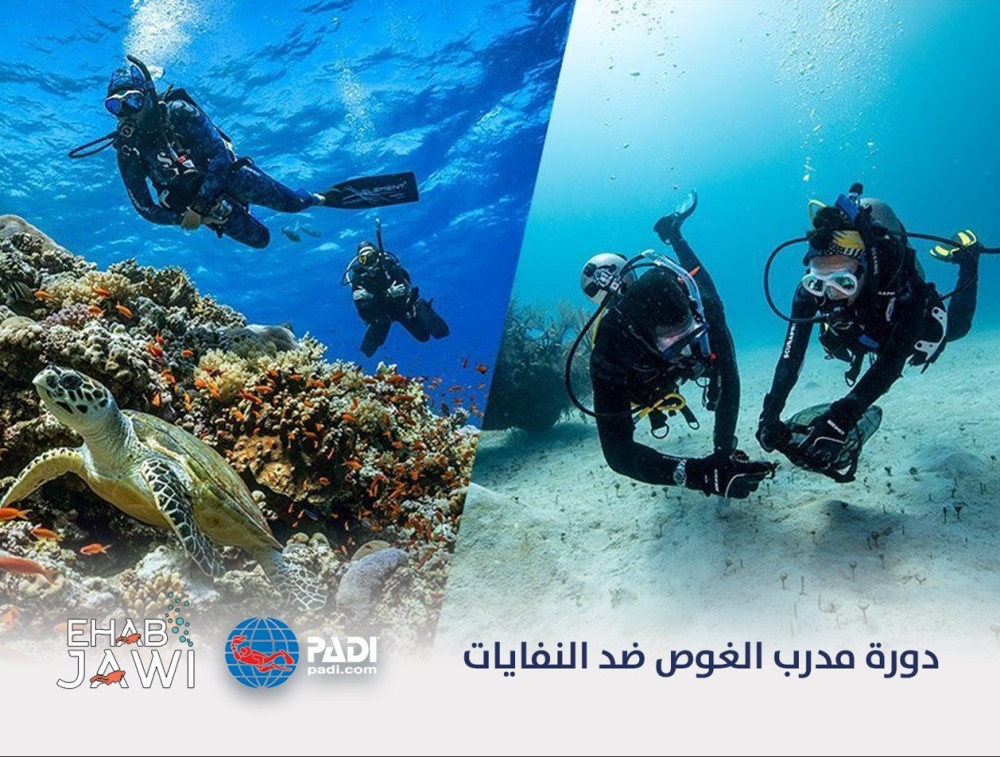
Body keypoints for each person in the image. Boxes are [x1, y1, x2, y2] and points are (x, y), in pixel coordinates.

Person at [756, 185, 997, 477]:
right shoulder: (809, 292)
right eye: (818, 282)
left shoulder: (905, 286)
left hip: (896, 325)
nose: (830, 295)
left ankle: (968, 256)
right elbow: (791, 355)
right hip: (858, 332)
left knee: (957, 328)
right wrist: (770, 412)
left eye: (843, 283)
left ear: (865, 268)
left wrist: (842, 418)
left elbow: (892, 361)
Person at [72, 56, 418, 249]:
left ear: (147, 94)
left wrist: (197, 208)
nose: (126, 112)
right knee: (262, 240)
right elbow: (144, 207)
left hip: (228, 178)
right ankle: (240, 212)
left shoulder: (178, 112)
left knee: (292, 205)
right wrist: (187, 217)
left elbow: (221, 158)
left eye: (133, 100)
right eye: (115, 106)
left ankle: (321, 198)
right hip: (202, 209)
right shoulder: (127, 149)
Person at [575, 190, 776, 499]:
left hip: (694, 304)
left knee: (706, 285)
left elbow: (729, 377)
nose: (684, 347)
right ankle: (673, 233)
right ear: (641, 336)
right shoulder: (610, 351)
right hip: (643, 381)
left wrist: (722, 452)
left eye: (689, 332)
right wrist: (700, 474)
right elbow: (617, 454)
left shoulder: (703, 305)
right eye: (672, 342)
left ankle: (674, 234)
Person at [343, 239, 449, 357]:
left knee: (424, 337)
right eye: (363, 260)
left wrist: (374, 298)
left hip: (400, 307)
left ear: (377, 256)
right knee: (377, 331)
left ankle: (422, 308)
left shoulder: (390, 267)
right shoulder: (359, 279)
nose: (369, 263)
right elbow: (363, 311)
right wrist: (387, 294)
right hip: (382, 313)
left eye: (371, 257)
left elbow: (402, 292)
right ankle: (361, 359)